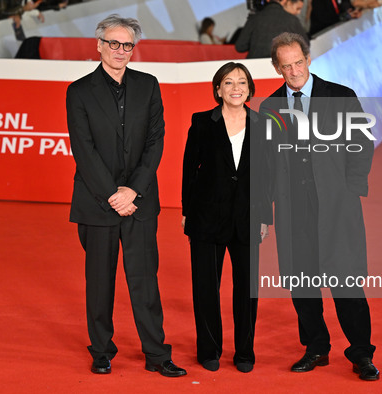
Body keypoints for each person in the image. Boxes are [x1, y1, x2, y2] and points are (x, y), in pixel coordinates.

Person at [66, 14, 186, 378]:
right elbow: (83, 150)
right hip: (97, 203)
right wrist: (112, 194)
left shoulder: (149, 86)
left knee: (145, 281)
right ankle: (101, 350)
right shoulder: (79, 91)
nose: (120, 50)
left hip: (140, 201)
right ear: (99, 45)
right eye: (114, 43)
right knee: (99, 283)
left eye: (127, 45)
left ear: (134, 49)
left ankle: (156, 353)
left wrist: (133, 190)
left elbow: (155, 142)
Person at [260, 32, 379, 380]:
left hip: (336, 206)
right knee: (302, 284)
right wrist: (264, 214)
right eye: (286, 66)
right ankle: (316, 348)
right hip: (293, 208)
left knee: (347, 283)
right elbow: (266, 166)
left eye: (298, 62)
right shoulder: (270, 107)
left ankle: (362, 354)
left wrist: (349, 189)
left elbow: (362, 143)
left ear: (308, 59)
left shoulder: (340, 96)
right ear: (277, 68)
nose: (294, 70)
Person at [182, 62, 271, 373]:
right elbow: (189, 170)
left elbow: (267, 176)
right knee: (206, 287)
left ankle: (245, 352)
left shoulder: (263, 124)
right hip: (206, 217)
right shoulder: (202, 122)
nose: (236, 88)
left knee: (247, 290)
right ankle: (209, 349)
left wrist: (264, 219)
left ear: (249, 88)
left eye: (242, 82)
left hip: (247, 216)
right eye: (229, 82)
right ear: (217, 89)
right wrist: (186, 212)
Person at [235, 0, 308, 59]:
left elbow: (240, 46)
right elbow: (305, 44)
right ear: (284, 1)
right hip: (281, 66)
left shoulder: (254, 18)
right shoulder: (292, 20)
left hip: (255, 69)